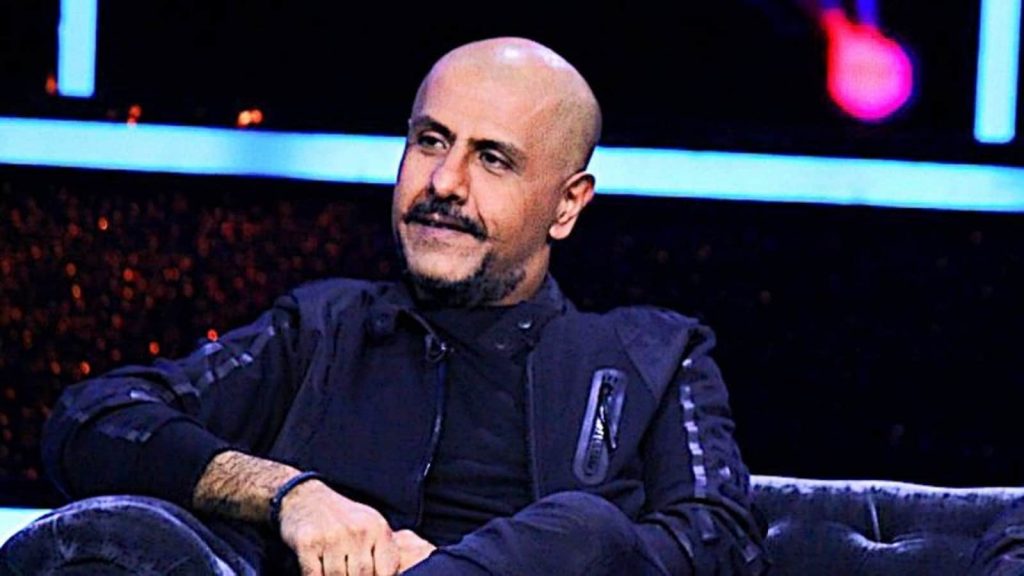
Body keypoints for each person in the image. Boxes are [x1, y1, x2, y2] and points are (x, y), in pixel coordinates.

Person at [1, 37, 767, 575]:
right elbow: (94, 420)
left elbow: (723, 543)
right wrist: (288, 495)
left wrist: (484, 565)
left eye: (491, 158)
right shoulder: (322, 330)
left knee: (586, 528)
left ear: (567, 206)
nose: (444, 183)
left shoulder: (652, 359)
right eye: (430, 142)